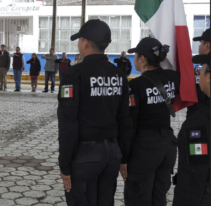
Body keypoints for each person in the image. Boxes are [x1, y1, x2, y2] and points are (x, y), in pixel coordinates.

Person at [58, 19, 132, 205]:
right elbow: (125, 119)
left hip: (85, 156)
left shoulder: (74, 74)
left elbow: (68, 123)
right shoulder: (119, 75)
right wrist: (123, 156)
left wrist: (65, 165)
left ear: (85, 42)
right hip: (112, 154)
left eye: (79, 39)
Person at [122, 37, 180, 206]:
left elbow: (129, 124)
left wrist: (124, 157)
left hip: (145, 148)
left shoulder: (136, 85)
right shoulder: (172, 77)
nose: (134, 58)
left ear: (142, 59)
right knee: (159, 196)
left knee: (138, 197)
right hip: (168, 146)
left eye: (136, 55)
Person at [173, 52, 210, 206]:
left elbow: (194, 175)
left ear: (209, 77)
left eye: (202, 68)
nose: (199, 72)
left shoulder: (198, 123)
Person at [186, 28, 210, 118]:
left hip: (199, 123)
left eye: (200, 43)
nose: (199, 47)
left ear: (207, 45)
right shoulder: (198, 69)